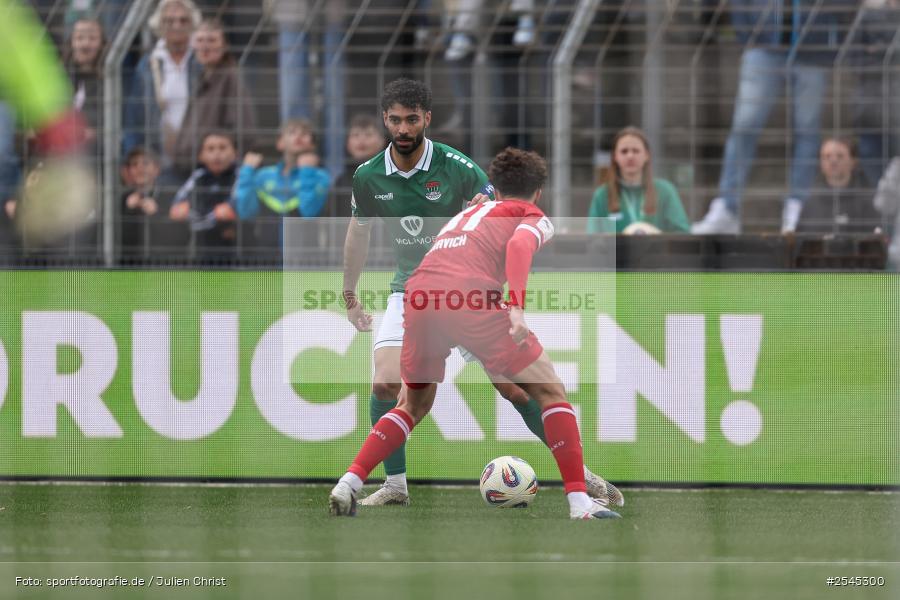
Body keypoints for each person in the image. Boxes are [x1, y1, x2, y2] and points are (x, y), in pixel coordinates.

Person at [341, 78, 622, 508]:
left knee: (516, 390)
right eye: (395, 119)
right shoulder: (367, 175)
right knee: (385, 382)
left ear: (426, 119)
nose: (403, 128)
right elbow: (358, 233)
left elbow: (499, 223)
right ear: (385, 119)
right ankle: (395, 485)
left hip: (467, 292)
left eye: (411, 119)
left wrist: (504, 300)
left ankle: (579, 474)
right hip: (412, 289)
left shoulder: (458, 168)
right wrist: (350, 293)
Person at [691, 0, 856, 234]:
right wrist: (749, 39)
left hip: (813, 51)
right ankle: (727, 207)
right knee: (745, 125)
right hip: (763, 47)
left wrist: (830, 42)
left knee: (807, 129)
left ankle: (799, 207)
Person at [123, 0, 201, 173]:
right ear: (159, 25)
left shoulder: (201, 60)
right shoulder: (148, 65)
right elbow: (134, 117)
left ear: (193, 24)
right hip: (159, 159)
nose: (176, 26)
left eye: (183, 20)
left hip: (199, 157)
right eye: (169, 21)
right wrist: (134, 158)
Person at [172, 18, 256, 177]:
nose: (205, 46)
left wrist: (214, 155)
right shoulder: (202, 76)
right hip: (192, 169)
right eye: (200, 40)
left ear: (224, 46)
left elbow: (242, 131)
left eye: (211, 40)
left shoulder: (230, 77)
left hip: (215, 173)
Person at [232, 118, 331, 251]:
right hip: (265, 257)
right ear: (280, 143)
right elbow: (246, 213)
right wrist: (247, 172)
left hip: (305, 258)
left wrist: (307, 171)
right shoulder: (263, 175)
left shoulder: (320, 176)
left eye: (305, 133)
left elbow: (309, 212)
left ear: (313, 144)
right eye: (292, 132)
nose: (299, 136)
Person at [586, 127, 689, 234]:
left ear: (646, 155)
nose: (630, 156)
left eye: (636, 151)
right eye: (624, 151)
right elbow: (593, 241)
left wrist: (655, 234)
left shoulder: (665, 191)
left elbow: (683, 234)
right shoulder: (602, 195)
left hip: (657, 250)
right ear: (615, 157)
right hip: (618, 251)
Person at [169, 130, 238, 259]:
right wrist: (212, 217)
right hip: (201, 245)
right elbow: (176, 209)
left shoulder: (239, 176)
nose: (217, 154)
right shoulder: (197, 177)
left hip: (231, 246)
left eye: (222, 148)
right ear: (201, 155)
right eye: (210, 149)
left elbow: (230, 210)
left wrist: (196, 217)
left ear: (234, 153)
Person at [796, 137, 881, 234]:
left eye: (840, 156)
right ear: (820, 162)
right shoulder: (810, 203)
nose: (833, 161)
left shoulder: (868, 202)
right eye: (827, 156)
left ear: (853, 161)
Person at [330, 113, 387, 218]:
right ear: (347, 143)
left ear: (382, 141)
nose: (361, 140)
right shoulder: (341, 181)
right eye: (355, 135)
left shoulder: (391, 176)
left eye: (368, 134)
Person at [120, 146, 161, 257]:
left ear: (157, 169)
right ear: (129, 171)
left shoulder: (167, 197)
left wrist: (156, 215)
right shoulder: (121, 200)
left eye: (145, 163)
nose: (140, 168)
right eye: (134, 164)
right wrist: (129, 210)